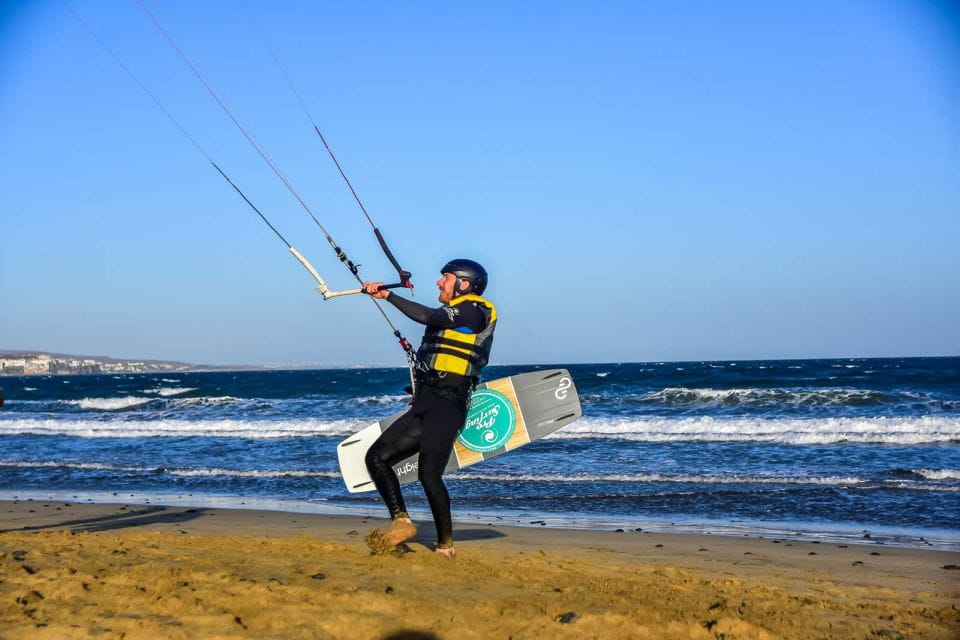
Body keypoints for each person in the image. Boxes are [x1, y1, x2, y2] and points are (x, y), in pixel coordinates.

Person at [361, 259, 496, 558]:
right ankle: (402, 521)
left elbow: (429, 316)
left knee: (428, 474)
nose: (439, 283)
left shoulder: (475, 310)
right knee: (376, 457)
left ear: (464, 283)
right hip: (426, 402)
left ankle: (445, 546)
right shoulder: (455, 314)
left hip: (449, 404)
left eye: (445, 278)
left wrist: (388, 295)